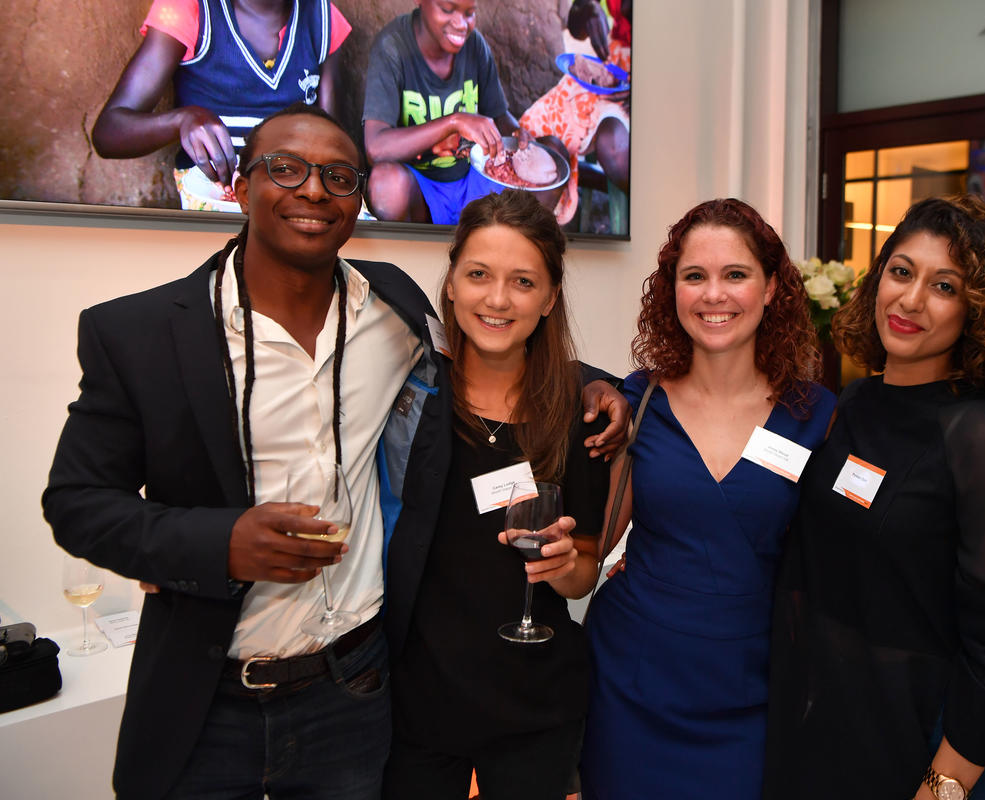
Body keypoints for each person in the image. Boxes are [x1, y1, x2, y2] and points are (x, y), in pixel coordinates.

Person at [43, 104, 627, 799]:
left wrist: (600, 387)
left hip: (352, 695)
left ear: (357, 200)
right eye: (285, 169)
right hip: (209, 697)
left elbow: (507, 350)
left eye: (339, 177)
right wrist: (217, 541)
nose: (314, 191)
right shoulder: (138, 335)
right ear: (239, 186)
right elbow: (76, 504)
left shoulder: (394, 312)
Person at [763, 195, 985, 800]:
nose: (911, 300)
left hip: (935, 743)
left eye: (944, 286)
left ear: (977, 311)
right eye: (902, 272)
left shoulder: (984, 440)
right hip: (839, 728)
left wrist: (942, 786)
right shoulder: (853, 404)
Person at [580, 198, 837, 799]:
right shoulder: (639, 400)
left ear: (772, 288)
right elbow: (603, 538)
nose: (713, 294)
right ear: (672, 290)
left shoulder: (815, 414)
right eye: (694, 276)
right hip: (633, 677)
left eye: (736, 275)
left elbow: (834, 553)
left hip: (754, 684)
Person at [383, 189, 608, 799]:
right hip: (420, 695)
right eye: (478, 275)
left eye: (523, 282)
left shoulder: (578, 415)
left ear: (550, 297)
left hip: (535, 701)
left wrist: (564, 568)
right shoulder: (405, 403)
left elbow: (584, 568)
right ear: (451, 282)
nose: (498, 299)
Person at [91, 0, 350, 209]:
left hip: (296, 192)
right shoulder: (189, 8)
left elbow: (332, 143)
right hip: (215, 194)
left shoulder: (323, 17)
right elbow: (109, 133)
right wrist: (182, 120)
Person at [361, 0, 566, 224]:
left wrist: (517, 132)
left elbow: (499, 116)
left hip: (476, 181)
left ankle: (506, 249)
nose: (461, 24)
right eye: (447, 10)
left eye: (470, 13)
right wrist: (454, 122)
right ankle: (418, 254)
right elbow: (376, 148)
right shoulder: (393, 47)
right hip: (422, 190)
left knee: (554, 152)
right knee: (386, 185)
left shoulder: (474, 45)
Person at [520, 0, 632, 229]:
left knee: (612, 146)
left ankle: (662, 216)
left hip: (661, 78)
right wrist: (587, 10)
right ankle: (546, 229)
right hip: (612, 67)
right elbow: (575, 26)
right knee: (535, 131)